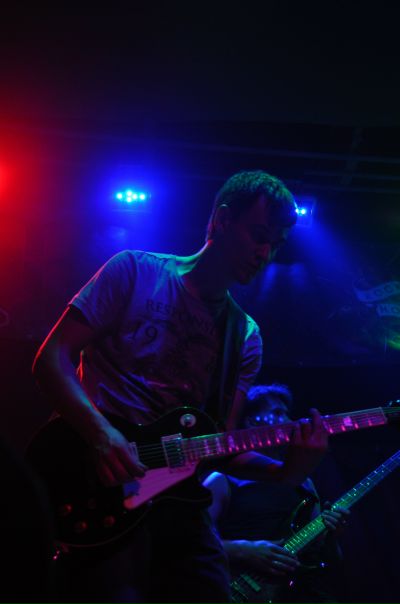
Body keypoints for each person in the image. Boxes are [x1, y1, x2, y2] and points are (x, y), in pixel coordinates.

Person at [32, 171, 330, 603]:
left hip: (178, 504)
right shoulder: (134, 271)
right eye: (259, 235)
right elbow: (51, 358)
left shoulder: (245, 336)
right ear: (222, 220)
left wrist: (289, 471)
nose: (265, 253)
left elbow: (220, 445)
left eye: (276, 244)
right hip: (98, 482)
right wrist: (101, 434)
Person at [205, 383, 351, 604]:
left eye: (286, 413)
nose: (289, 420)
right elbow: (189, 545)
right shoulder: (222, 479)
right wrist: (244, 550)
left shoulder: (305, 483)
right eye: (277, 412)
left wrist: (332, 534)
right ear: (252, 422)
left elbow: (329, 559)